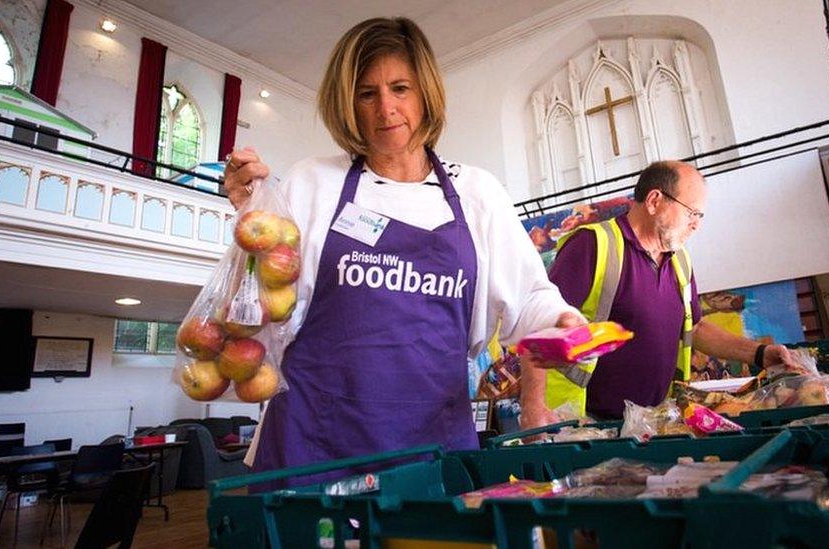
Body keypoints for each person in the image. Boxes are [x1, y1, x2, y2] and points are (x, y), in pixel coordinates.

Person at [221, 17, 582, 489]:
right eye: (367, 93)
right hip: (314, 449)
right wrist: (253, 210)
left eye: (400, 88)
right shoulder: (313, 182)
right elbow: (261, 301)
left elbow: (528, 296)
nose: (386, 108)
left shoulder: (477, 193)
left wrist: (559, 321)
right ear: (347, 103)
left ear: (425, 93)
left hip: (433, 447)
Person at [522, 160, 800, 422]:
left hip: (649, 422)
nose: (697, 224)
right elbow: (540, 324)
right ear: (655, 201)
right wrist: (533, 408)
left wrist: (759, 353)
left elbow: (696, 327)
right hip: (581, 423)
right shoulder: (593, 245)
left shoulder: (680, 261)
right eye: (692, 212)